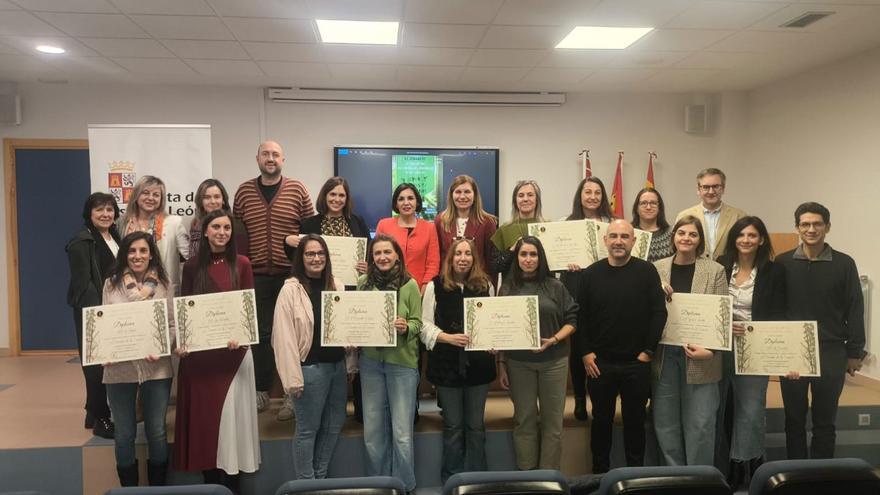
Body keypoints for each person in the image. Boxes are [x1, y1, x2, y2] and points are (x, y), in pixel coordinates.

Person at [173, 210, 260, 492]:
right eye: (216, 227)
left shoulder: (243, 264)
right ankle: (211, 488)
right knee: (206, 426)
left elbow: (247, 309)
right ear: (205, 231)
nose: (222, 232)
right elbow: (186, 308)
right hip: (200, 359)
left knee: (232, 428)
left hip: (233, 357)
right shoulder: (191, 266)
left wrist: (242, 336)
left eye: (227, 228)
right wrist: (184, 342)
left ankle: (232, 487)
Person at [575, 220, 667, 473]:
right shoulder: (590, 274)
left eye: (624, 236)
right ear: (605, 240)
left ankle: (635, 476)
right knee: (601, 422)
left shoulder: (647, 271)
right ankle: (600, 475)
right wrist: (585, 352)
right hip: (599, 364)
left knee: (635, 422)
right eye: (613, 236)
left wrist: (648, 351)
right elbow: (581, 317)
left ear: (634, 241)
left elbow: (659, 313)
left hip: (636, 363)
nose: (618, 241)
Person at [777, 202, 866, 459]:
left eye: (817, 224)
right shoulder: (782, 263)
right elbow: (774, 307)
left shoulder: (844, 264)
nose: (811, 229)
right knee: (793, 419)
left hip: (831, 351)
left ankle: (822, 474)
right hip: (792, 352)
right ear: (797, 228)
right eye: (805, 224)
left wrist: (855, 352)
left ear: (827, 227)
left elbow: (855, 308)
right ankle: (795, 473)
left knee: (825, 422)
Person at [233, 140, 315, 419]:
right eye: (265, 154)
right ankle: (261, 391)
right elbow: (237, 235)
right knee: (260, 334)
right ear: (257, 158)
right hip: (255, 275)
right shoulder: (244, 191)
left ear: (283, 159)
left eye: (275, 154)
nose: (270, 158)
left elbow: (310, 230)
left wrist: (295, 243)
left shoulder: (297, 189)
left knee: (295, 335)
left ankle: (293, 394)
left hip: (291, 275)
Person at [273, 234, 356, 479]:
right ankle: (306, 485)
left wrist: (350, 359)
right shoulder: (290, 290)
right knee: (308, 430)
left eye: (320, 253)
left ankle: (319, 479)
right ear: (301, 258)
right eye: (310, 254)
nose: (316, 258)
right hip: (309, 369)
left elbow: (345, 325)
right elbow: (283, 337)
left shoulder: (337, 285)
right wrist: (292, 378)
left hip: (336, 367)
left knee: (333, 425)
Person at [715, 216, 787, 488]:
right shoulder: (720, 265)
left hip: (756, 347)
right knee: (721, 407)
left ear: (761, 239)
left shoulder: (774, 271)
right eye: (741, 234)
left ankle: (746, 465)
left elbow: (780, 311)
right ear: (734, 238)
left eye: (752, 235)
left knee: (751, 408)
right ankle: (725, 465)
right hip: (721, 346)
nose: (746, 240)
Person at [496, 236, 577, 470]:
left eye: (533, 254)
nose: (528, 259)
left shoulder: (555, 286)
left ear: (540, 258)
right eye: (523, 254)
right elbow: (500, 329)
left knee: (553, 424)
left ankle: (548, 477)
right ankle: (528, 474)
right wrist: (501, 365)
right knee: (524, 421)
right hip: (518, 364)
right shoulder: (507, 288)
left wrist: (553, 340)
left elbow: (572, 320)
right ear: (517, 258)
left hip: (554, 362)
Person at [293, 176, 369, 422]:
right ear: (324, 196)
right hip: (320, 292)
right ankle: (324, 407)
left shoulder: (357, 222)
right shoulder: (310, 223)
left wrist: (365, 266)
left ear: (347, 199)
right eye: (332, 194)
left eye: (341, 195)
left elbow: (368, 255)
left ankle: (358, 409)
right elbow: (299, 257)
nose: (337, 199)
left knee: (355, 349)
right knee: (327, 348)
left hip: (352, 293)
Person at [652, 216, 727, 466]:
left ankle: (700, 479)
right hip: (664, 355)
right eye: (681, 233)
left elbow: (721, 316)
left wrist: (712, 351)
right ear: (673, 236)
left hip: (701, 356)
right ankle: (674, 477)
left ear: (700, 240)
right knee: (665, 422)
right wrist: (655, 288)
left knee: (701, 423)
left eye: (692, 234)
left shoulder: (715, 270)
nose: (686, 238)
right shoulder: (656, 269)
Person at [101, 232, 175, 486]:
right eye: (132, 251)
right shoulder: (111, 285)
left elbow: (172, 324)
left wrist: (163, 346)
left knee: (157, 431)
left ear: (151, 254)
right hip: (119, 370)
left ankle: (158, 490)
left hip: (157, 367)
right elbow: (103, 324)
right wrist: (105, 351)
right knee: (124, 434)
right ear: (124, 255)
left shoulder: (164, 284)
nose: (137, 256)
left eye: (143, 250)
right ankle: (129, 491)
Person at [420, 238, 495, 483]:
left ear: (474, 258)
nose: (463, 258)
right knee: (453, 427)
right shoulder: (435, 286)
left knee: (476, 426)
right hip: (446, 366)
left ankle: (477, 480)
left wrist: (494, 341)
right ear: (450, 258)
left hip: (479, 367)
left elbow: (493, 322)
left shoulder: (486, 285)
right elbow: (424, 325)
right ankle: (452, 480)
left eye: (468, 253)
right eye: (458, 253)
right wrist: (447, 338)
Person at [357, 234, 422, 492]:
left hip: (402, 365)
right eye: (377, 253)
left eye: (387, 252)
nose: (382, 257)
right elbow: (356, 318)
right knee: (372, 432)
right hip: (371, 363)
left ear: (397, 256)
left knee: (402, 434)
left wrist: (406, 327)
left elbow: (418, 323)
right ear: (371, 257)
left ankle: (404, 486)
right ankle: (378, 485)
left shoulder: (410, 285)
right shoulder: (363, 283)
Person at [66, 192, 121, 439]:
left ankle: (92, 411)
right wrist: (97, 315)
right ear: (89, 213)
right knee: (96, 365)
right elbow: (83, 285)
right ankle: (101, 419)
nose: (105, 214)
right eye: (99, 209)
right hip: (94, 312)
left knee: (102, 363)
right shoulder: (81, 241)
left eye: (109, 209)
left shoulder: (114, 236)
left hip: (111, 308)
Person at [562, 177, 613, 420]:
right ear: (580, 196)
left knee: (601, 342)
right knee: (578, 345)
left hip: (606, 288)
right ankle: (580, 399)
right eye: (588, 192)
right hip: (576, 286)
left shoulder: (612, 224)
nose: (592, 197)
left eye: (597, 192)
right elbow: (555, 261)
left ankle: (599, 396)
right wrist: (567, 262)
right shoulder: (566, 224)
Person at [118, 175, 190, 293]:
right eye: (145, 193)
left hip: (164, 291)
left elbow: (189, 258)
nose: (150, 198)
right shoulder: (122, 223)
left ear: (161, 199)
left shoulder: (174, 223)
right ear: (136, 195)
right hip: (129, 292)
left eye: (156, 195)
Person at [375, 182, 441, 291]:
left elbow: (433, 263)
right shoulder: (384, 225)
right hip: (388, 288)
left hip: (419, 289)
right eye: (401, 199)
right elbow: (376, 257)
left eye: (410, 198)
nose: (406, 203)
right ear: (396, 204)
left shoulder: (429, 228)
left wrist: (425, 288)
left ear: (417, 202)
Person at [434, 175, 497, 281]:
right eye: (458, 192)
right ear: (451, 195)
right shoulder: (440, 221)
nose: (462, 196)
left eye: (467, 192)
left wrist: (491, 287)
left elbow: (491, 261)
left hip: (477, 283)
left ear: (475, 195)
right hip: (447, 284)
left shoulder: (487, 222)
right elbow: (436, 257)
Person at [675, 168, 746, 260]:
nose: (711, 191)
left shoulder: (739, 216)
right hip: (694, 267)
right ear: (698, 190)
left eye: (716, 186)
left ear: (723, 189)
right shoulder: (684, 216)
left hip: (728, 267)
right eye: (706, 187)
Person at [490, 180, 545, 277]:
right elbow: (495, 267)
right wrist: (512, 250)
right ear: (515, 201)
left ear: (537, 199)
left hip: (544, 284)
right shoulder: (504, 229)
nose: (525, 199)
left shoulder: (548, 226)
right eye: (521, 195)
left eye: (530, 195)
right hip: (512, 285)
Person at [188, 179, 247, 259]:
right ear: (201, 201)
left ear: (223, 200)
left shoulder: (236, 226)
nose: (212, 201)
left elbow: (240, 260)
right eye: (207, 197)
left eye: (217, 197)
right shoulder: (196, 225)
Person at [631, 187, 674, 263]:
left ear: (659, 208)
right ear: (637, 208)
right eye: (643, 203)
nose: (648, 207)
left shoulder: (672, 234)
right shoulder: (629, 234)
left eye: (653, 203)